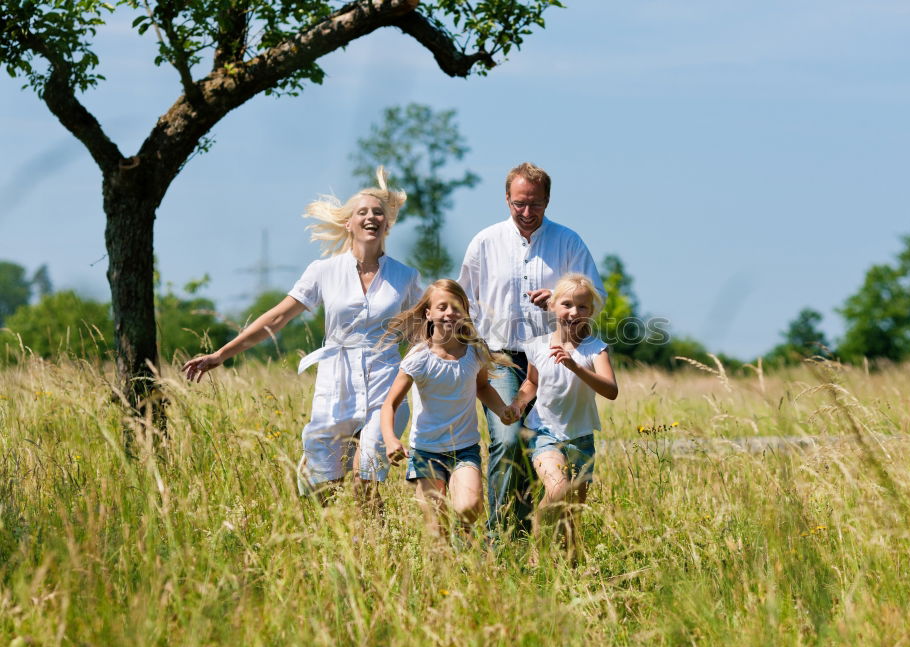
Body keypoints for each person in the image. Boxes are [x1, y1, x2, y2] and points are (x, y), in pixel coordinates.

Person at [183, 167, 421, 508]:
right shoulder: (323, 271)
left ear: (387, 224)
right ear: (348, 224)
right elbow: (278, 317)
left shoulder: (405, 277)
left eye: (378, 212)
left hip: (384, 381)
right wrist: (221, 354)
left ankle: (374, 552)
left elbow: (423, 333)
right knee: (325, 488)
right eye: (362, 212)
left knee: (365, 479)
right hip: (336, 381)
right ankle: (334, 550)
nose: (371, 217)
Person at [457, 162, 606, 539]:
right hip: (500, 359)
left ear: (548, 201)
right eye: (519, 203)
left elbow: (594, 296)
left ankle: (536, 535)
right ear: (506, 198)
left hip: (554, 359)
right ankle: (502, 538)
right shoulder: (485, 242)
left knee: (546, 446)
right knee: (507, 441)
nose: (527, 212)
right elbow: (465, 302)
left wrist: (560, 299)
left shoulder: (569, 242)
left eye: (535, 204)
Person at [380, 279, 515, 543]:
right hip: (426, 450)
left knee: (469, 508)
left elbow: (483, 386)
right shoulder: (419, 357)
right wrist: (390, 440)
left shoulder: (474, 353)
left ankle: (463, 539)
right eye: (442, 307)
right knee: (435, 528)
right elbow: (390, 404)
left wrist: (502, 410)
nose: (449, 313)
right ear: (428, 313)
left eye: (456, 307)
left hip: (464, 448)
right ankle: (448, 568)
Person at [505, 274, 618, 560]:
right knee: (558, 489)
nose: (574, 312)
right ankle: (536, 552)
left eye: (582, 306)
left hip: (580, 438)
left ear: (590, 311)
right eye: (567, 304)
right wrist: (517, 405)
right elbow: (532, 383)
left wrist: (575, 367)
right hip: (544, 434)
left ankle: (570, 573)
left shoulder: (596, 348)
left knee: (572, 518)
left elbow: (611, 390)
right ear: (553, 306)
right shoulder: (537, 345)